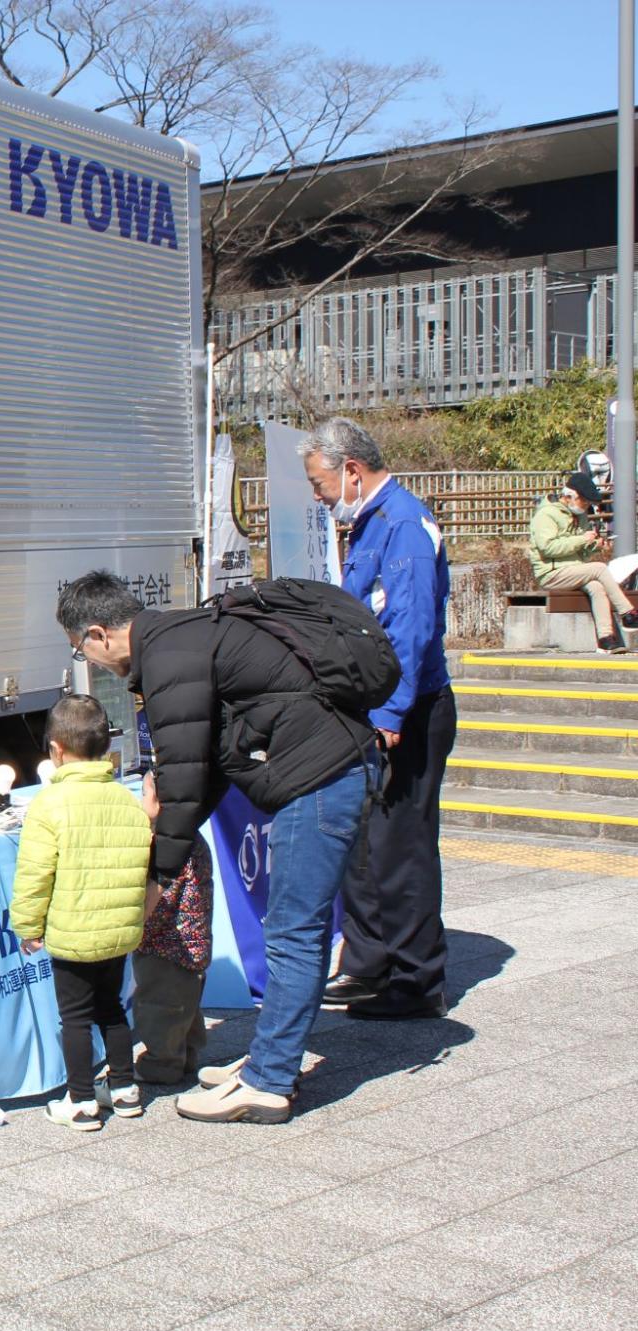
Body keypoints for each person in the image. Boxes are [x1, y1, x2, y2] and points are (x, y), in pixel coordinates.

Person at [59, 571, 375, 1125]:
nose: (92, 662)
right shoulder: (179, 638)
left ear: (99, 634)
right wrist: (168, 843)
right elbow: (203, 771)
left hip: (322, 778)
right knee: (292, 930)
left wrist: (157, 876)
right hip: (329, 767)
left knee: (293, 932)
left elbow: (182, 781)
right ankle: (270, 1057)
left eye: (81, 649)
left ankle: (269, 1081)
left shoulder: (167, 659)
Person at [299, 418, 455, 1020]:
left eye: (321, 483)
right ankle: (368, 962)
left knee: (401, 845)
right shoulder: (369, 524)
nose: (319, 496)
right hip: (370, 707)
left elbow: (410, 628)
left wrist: (390, 712)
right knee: (362, 841)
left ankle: (416, 978)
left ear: (352, 471)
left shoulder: (404, 526)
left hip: (408, 711)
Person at [8, 694, 150, 1131]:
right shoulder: (126, 800)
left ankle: (82, 1100)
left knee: (74, 1018)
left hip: (72, 932)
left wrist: (28, 926)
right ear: (106, 746)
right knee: (112, 1008)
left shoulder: (49, 804)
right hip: (118, 930)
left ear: (55, 750)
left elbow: (35, 875)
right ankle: (124, 1089)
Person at [132, 769, 214, 1083]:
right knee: (185, 1006)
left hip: (166, 944)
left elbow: (158, 895)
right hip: (193, 942)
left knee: (159, 1007)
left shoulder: (166, 846)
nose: (141, 800)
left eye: (144, 793)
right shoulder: (192, 837)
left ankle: (161, 1064)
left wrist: (134, 927)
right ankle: (187, 1055)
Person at [529, 471, 635, 653]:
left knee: (596, 586)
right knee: (599, 568)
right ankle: (627, 613)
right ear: (569, 496)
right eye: (584, 501)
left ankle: (606, 639)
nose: (586, 506)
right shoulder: (546, 515)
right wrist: (582, 539)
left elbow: (582, 554)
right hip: (551, 573)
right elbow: (548, 548)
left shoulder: (580, 516)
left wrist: (595, 546)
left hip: (573, 570)